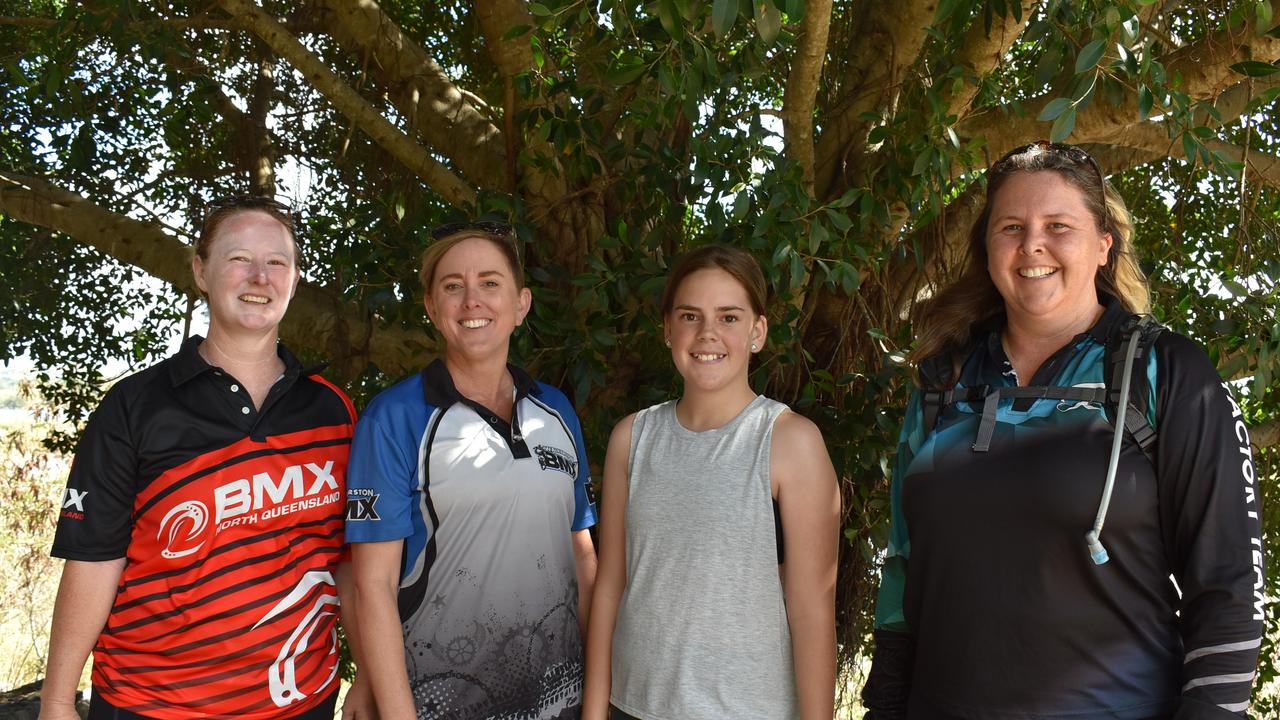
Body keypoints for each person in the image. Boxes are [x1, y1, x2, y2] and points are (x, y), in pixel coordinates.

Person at [862, 142, 1265, 719]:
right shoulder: (941, 380)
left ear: (1103, 244)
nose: (1032, 245)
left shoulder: (1167, 374)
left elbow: (1229, 589)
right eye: (1010, 227)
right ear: (987, 248)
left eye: (1058, 225)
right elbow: (902, 576)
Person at [40, 196, 357, 720]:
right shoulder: (135, 406)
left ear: (295, 280)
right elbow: (94, 560)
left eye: (277, 262)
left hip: (300, 700)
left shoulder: (332, 409)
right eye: (238, 259)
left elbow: (346, 560)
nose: (260, 276)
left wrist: (365, 674)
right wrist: (56, 699)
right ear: (200, 271)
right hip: (154, 704)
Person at [344, 221, 598, 719]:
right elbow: (371, 586)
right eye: (453, 286)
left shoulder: (558, 411)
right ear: (432, 308)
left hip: (560, 702)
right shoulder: (394, 418)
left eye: (489, 283)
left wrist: (596, 698)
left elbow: (583, 556)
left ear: (521, 304)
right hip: (442, 702)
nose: (471, 301)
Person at [583, 244, 840, 720]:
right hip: (631, 706)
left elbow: (812, 610)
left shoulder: (790, 442)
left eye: (729, 317)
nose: (707, 334)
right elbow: (610, 586)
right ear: (667, 328)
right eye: (689, 316)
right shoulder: (631, 439)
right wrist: (594, 713)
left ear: (757, 332)